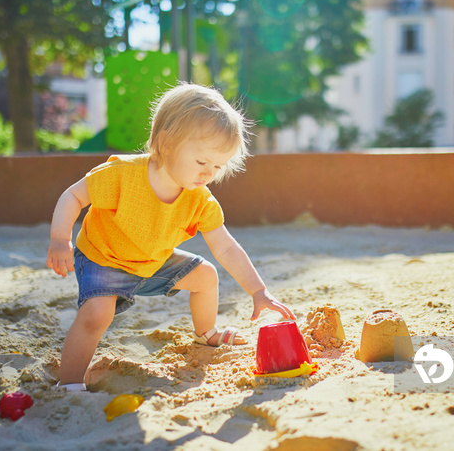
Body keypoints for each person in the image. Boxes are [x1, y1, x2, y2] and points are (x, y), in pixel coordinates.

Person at [46, 83, 296, 390]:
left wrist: (258, 290)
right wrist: (60, 239)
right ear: (165, 143)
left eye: (218, 166)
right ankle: (70, 383)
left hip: (151, 262)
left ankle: (207, 332)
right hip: (103, 259)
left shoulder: (199, 200)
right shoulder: (123, 175)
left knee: (205, 276)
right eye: (201, 162)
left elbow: (226, 247)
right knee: (97, 314)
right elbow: (73, 196)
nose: (208, 174)